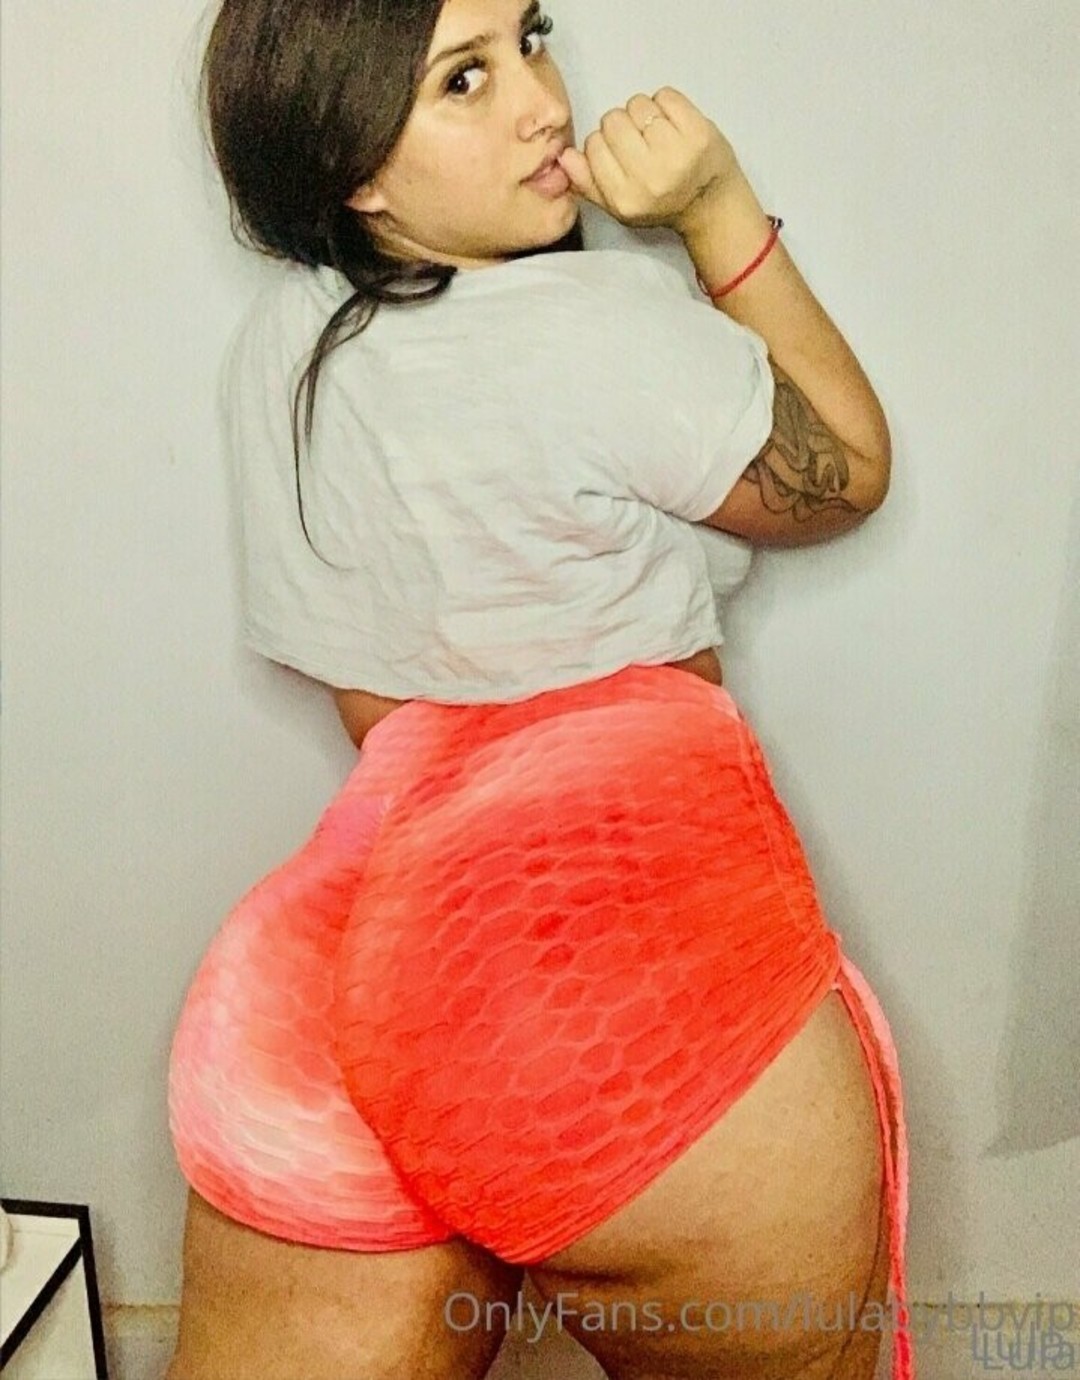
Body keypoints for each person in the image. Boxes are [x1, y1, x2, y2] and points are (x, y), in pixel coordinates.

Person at [165, 1, 915, 1377]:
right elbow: (847, 473)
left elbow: (366, 683)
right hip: (607, 989)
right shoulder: (599, 324)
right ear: (354, 168)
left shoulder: (279, 349)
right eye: (466, 79)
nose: (543, 100)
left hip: (323, 965)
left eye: (531, 35)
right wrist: (715, 206)